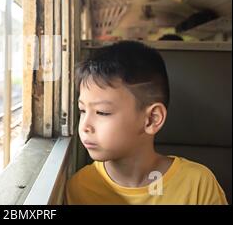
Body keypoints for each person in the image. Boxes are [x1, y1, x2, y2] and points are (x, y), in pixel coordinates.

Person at [66, 41, 227, 204]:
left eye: (102, 112)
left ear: (152, 119)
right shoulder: (81, 187)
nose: (85, 126)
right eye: (82, 110)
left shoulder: (197, 185)